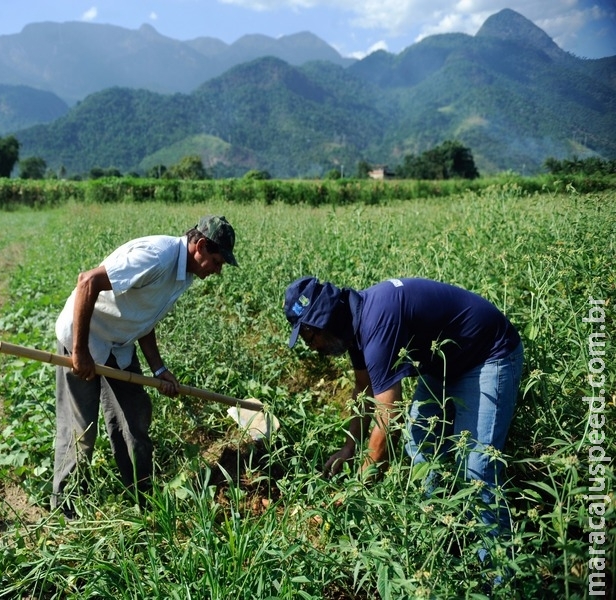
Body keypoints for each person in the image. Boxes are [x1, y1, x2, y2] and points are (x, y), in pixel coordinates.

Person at [283, 276, 523, 541]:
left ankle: (495, 573)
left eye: (308, 336)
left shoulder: (377, 323)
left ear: (323, 320)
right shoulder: (353, 324)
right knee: (420, 443)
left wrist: (354, 492)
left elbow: (389, 420)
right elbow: (364, 389)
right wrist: (349, 447)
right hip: (442, 365)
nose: (311, 347)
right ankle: (439, 533)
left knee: (477, 471)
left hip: (488, 355)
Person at [52, 215, 238, 512]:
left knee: (134, 418)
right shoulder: (157, 257)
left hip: (119, 344)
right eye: (217, 262)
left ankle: (141, 498)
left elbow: (144, 317)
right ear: (200, 246)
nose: (217, 271)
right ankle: (65, 507)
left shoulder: (183, 274)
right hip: (84, 337)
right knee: (80, 430)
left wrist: (159, 369)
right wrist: (80, 351)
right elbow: (88, 281)